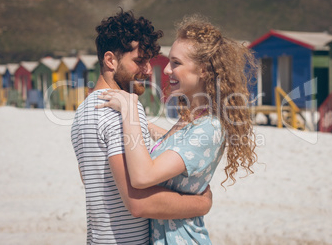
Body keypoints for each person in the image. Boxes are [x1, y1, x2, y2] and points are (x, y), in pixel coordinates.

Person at [97, 15, 258, 244]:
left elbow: (143, 176)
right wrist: (140, 120)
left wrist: (130, 111)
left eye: (176, 63)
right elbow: (174, 144)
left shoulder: (210, 128)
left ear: (203, 70)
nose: (167, 71)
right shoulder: (191, 121)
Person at [71, 10, 213, 245]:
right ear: (110, 60)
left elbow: (94, 178)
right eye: (139, 61)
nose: (148, 70)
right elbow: (137, 202)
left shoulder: (83, 111)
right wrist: (201, 203)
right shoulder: (123, 109)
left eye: (149, 61)